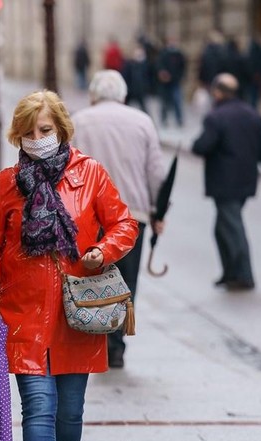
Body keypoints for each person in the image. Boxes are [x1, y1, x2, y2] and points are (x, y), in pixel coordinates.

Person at [0, 90, 138, 441]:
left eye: (44, 130)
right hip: (24, 312)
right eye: (28, 132)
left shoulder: (90, 174)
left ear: (61, 130)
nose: (37, 138)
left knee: (70, 411)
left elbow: (124, 224)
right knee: (39, 406)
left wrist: (103, 250)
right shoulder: (8, 182)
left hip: (76, 312)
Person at [72, 70, 168, 369]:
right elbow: (156, 172)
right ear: (123, 95)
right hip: (132, 213)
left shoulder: (79, 121)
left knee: (91, 276)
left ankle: (95, 340)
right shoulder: (142, 121)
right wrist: (157, 211)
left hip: (88, 213)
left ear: (93, 95)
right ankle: (115, 344)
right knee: (126, 280)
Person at [191, 74, 261, 291]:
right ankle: (230, 273)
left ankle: (244, 275)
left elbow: (202, 146)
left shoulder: (216, 117)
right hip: (246, 181)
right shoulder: (252, 114)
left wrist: (197, 143)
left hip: (224, 183)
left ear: (217, 92)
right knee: (222, 228)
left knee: (232, 227)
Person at [156, 38, 186, 127]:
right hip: (165, 83)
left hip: (175, 81)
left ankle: (179, 119)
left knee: (177, 101)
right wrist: (163, 73)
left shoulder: (179, 54)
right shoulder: (163, 53)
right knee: (164, 102)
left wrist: (179, 77)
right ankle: (164, 119)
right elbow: (159, 66)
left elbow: (182, 67)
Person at [122, 46, 149, 112]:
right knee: (125, 106)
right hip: (131, 89)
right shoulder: (129, 64)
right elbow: (125, 75)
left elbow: (146, 76)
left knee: (143, 106)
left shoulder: (143, 65)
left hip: (140, 89)